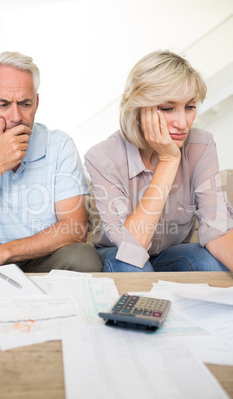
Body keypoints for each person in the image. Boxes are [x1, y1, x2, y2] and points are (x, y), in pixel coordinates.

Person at [85, 50, 233, 272]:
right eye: (167, 108)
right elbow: (133, 247)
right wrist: (168, 160)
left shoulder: (202, 145)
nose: (182, 123)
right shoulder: (102, 157)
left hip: (170, 254)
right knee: (134, 268)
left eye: (190, 107)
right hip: (118, 254)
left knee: (211, 262)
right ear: (137, 110)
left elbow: (218, 230)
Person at [0, 51, 102, 273]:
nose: (16, 117)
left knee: (83, 257)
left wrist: (0, 253)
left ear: (36, 103)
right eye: (3, 105)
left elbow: (74, 229)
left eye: (25, 104)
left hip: (43, 256)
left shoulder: (60, 145)